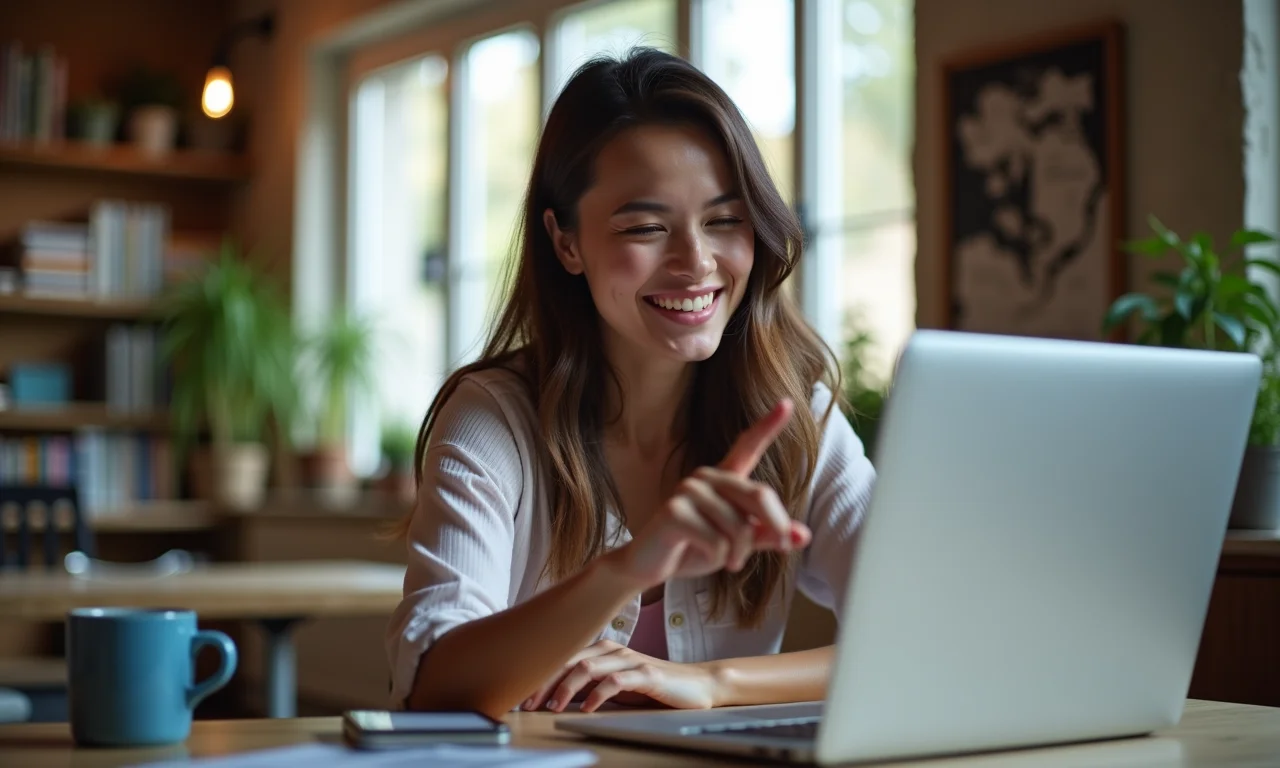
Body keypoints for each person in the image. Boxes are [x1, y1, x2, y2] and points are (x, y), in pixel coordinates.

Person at [386, 47, 876, 718]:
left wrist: (715, 683)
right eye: (646, 227)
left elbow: (925, 640)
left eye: (725, 221)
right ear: (566, 243)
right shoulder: (493, 418)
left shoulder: (796, 416)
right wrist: (625, 570)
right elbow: (432, 689)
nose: (697, 262)